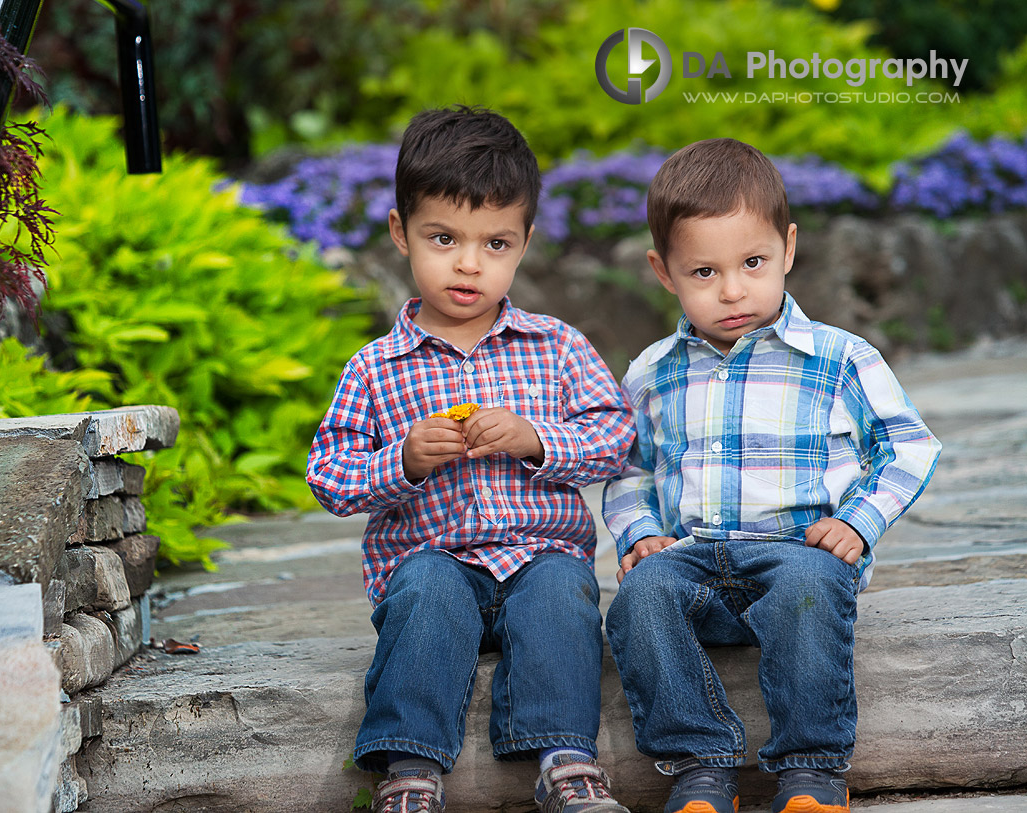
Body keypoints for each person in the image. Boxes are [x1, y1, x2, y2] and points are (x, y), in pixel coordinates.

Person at [308, 106, 636, 813]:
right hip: (431, 559)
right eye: (443, 238)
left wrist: (538, 439)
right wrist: (402, 460)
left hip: (538, 553)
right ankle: (409, 771)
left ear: (524, 243)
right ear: (401, 233)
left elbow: (619, 437)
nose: (468, 263)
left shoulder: (556, 346)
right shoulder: (375, 367)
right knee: (424, 590)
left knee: (560, 591)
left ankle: (567, 762)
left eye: (495, 243)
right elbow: (329, 475)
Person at [603, 137, 942, 813]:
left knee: (809, 586)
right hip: (695, 561)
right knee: (640, 596)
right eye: (703, 272)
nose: (733, 290)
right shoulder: (652, 371)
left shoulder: (841, 358)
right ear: (663, 271)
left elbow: (908, 445)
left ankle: (811, 769)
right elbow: (629, 468)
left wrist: (858, 521)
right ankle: (699, 767)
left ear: (787, 248)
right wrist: (639, 533)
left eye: (753, 262)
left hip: (797, 554)